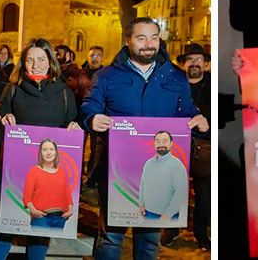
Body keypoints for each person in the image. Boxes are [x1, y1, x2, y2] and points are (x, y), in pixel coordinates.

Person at [80, 18, 205, 260]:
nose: (149, 44)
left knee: (148, 240)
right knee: (110, 237)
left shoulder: (176, 78)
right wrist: (92, 118)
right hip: (117, 170)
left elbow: (186, 110)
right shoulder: (106, 76)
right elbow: (89, 106)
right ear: (128, 41)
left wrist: (198, 117)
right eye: (141, 38)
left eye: (154, 37)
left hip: (158, 172)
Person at [0, 38, 81, 260]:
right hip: (16, 171)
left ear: (50, 62)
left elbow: (72, 127)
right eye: (30, 60)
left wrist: (74, 127)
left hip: (49, 174)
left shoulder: (63, 93)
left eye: (41, 59)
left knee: (40, 233)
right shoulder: (13, 90)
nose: (36, 65)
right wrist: (2, 120)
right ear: (23, 63)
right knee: (6, 227)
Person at [171, 43, 210, 248]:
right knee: (173, 190)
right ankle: (170, 229)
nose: (195, 63)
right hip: (177, 145)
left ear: (205, 63)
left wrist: (207, 125)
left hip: (205, 147)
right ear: (183, 64)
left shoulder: (213, 85)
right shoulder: (174, 85)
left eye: (199, 59)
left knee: (205, 195)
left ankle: (201, 232)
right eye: (190, 59)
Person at [23, 139, 75, 235]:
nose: (48, 152)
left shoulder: (62, 171)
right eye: (45, 149)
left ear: (56, 152)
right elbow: (27, 197)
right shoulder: (33, 171)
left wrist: (70, 210)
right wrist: (34, 211)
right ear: (40, 153)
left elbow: (67, 193)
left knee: (51, 245)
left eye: (51, 149)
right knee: (39, 246)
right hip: (41, 218)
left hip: (60, 218)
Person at [138, 130, 188, 222]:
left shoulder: (177, 165)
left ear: (171, 143)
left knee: (169, 236)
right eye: (158, 141)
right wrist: (141, 204)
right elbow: (143, 184)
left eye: (165, 141)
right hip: (148, 213)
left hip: (168, 215)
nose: (161, 144)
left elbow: (181, 192)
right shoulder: (148, 163)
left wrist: (168, 214)